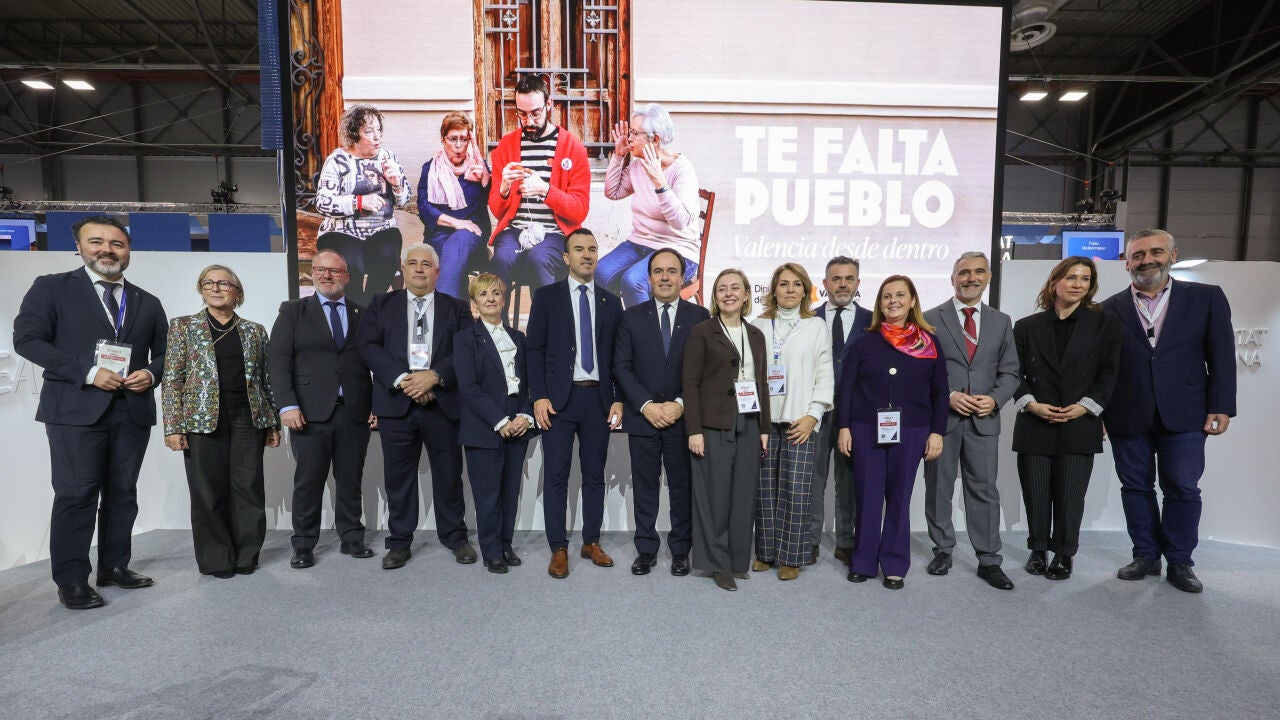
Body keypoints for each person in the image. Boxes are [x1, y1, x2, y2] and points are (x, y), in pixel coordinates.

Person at [13, 215, 168, 609]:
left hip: (131, 410)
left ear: (128, 250)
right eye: (96, 241)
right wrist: (88, 372)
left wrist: (151, 373)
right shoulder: (51, 288)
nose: (107, 250)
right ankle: (71, 580)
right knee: (76, 494)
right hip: (74, 410)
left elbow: (167, 354)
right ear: (79, 247)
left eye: (117, 243)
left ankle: (114, 566)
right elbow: (27, 340)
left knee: (123, 494)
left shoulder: (147, 302)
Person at [1100, 229, 1236, 593]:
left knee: (1182, 486)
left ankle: (1180, 560)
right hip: (1127, 412)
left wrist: (1222, 405)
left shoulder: (1205, 298)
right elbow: (1103, 368)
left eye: (1156, 252)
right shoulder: (1108, 308)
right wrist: (1099, 412)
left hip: (1187, 412)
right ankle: (1146, 555)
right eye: (1138, 255)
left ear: (1173, 255)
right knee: (1135, 486)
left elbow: (1222, 355)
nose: (1147, 260)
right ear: (1127, 263)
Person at [356, 243, 476, 570]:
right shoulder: (381, 304)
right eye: (413, 263)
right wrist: (404, 380)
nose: (419, 269)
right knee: (398, 479)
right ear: (403, 269)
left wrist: (434, 377)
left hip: (443, 404)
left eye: (426, 264)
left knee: (449, 476)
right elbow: (368, 346)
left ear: (437, 271)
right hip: (396, 405)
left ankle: (456, 538)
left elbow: (466, 350)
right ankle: (399, 542)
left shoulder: (457, 308)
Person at [162, 265, 281, 578]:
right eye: (208, 283)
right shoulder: (183, 327)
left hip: (248, 417)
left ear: (237, 292)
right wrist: (173, 426)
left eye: (224, 283)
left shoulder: (255, 331)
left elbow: (267, 380)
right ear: (201, 289)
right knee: (207, 490)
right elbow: (172, 378)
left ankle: (246, 554)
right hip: (201, 420)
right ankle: (217, 558)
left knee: (249, 487)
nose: (216, 288)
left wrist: (273, 423)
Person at [1012, 256, 1121, 581]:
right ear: (1055, 281)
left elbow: (1110, 373)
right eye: (1071, 277)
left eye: (1085, 279)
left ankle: (1064, 553)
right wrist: (1031, 404)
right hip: (1035, 420)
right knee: (1035, 493)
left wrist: (1086, 406)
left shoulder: (1105, 323)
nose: (1078, 284)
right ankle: (1037, 549)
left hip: (1080, 420)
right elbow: (1014, 373)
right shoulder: (1027, 326)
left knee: (1070, 495)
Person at [267, 249, 376, 569]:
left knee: (351, 479)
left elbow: (374, 362)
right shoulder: (293, 311)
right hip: (308, 413)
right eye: (321, 270)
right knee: (308, 481)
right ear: (312, 273)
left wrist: (377, 405)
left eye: (335, 270)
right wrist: (287, 405)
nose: (327, 275)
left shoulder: (362, 314)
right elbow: (278, 361)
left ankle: (352, 538)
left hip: (354, 411)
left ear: (347, 276)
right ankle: (303, 544)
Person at [525, 228, 624, 578]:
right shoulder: (547, 297)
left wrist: (618, 399)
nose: (587, 255)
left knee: (594, 475)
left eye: (592, 249)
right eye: (579, 249)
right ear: (566, 258)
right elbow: (534, 350)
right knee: (556, 475)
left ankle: (591, 542)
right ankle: (558, 547)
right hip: (558, 402)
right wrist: (538, 395)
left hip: (598, 399)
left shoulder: (611, 302)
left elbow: (618, 357)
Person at [837, 275, 947, 590]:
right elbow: (847, 388)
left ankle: (895, 564)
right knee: (868, 496)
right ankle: (863, 561)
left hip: (913, 430)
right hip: (865, 428)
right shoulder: (864, 341)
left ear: (912, 301)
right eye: (887, 296)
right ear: (879, 303)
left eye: (900, 295)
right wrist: (844, 426)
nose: (893, 301)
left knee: (900, 497)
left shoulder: (929, 342)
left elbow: (940, 391)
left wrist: (937, 432)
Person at [921, 252, 1020, 590]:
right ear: (953, 279)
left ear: (989, 278)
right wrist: (948, 395)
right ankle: (942, 550)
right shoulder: (929, 318)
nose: (971, 278)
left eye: (979, 272)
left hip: (984, 419)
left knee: (984, 490)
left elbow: (1010, 372)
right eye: (964, 272)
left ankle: (989, 559)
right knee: (938, 488)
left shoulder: (1001, 321)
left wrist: (994, 399)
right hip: (943, 420)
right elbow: (921, 371)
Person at [613, 249, 710, 576]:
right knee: (645, 487)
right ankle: (646, 549)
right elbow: (621, 367)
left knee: (682, 487)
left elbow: (705, 368)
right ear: (649, 277)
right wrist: (646, 406)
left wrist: (680, 404)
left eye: (671, 271)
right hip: (644, 418)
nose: (665, 277)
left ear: (682, 277)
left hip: (683, 418)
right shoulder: (630, 316)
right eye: (658, 271)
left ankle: (681, 550)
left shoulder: (700, 316)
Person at [683, 269, 771, 591]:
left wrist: (764, 428)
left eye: (736, 288)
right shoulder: (702, 332)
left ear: (746, 294)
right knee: (715, 497)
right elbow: (690, 383)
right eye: (722, 289)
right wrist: (694, 429)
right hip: (712, 424)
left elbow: (762, 383)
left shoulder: (756, 335)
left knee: (743, 496)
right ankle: (717, 564)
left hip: (748, 422)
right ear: (715, 296)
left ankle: (736, 561)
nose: (729, 294)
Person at [751, 263, 833, 581]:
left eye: (796, 284)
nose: (789, 289)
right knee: (765, 490)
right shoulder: (758, 325)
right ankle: (766, 552)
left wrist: (814, 414)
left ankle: (791, 557)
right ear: (774, 289)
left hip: (801, 421)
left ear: (805, 290)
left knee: (797, 490)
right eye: (783, 283)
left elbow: (825, 373)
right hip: (763, 422)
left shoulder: (816, 326)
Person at [455, 273, 535, 574]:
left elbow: (528, 384)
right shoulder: (464, 339)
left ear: (504, 299)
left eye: (496, 293)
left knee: (509, 492)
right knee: (487, 494)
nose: (490, 298)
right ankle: (491, 550)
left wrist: (525, 416)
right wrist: (500, 421)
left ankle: (505, 545)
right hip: (484, 425)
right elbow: (469, 388)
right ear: (474, 303)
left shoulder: (519, 338)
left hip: (517, 423)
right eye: (483, 294)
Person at [488, 75, 591, 288]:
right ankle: (496, 312)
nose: (529, 122)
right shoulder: (506, 146)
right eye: (522, 114)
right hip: (515, 230)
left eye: (536, 113)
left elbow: (579, 211)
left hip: (555, 233)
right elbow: (498, 212)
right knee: (500, 260)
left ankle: (546, 312)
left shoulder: (573, 148)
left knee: (539, 260)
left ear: (549, 104)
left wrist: (545, 190)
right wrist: (504, 188)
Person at [598, 103, 700, 306]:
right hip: (640, 243)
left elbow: (680, 222)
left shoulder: (682, 170)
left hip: (678, 250)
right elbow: (613, 192)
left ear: (655, 139)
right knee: (600, 273)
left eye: (635, 133)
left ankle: (644, 328)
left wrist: (660, 183)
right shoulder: (638, 165)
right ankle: (618, 325)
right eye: (630, 132)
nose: (629, 138)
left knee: (633, 281)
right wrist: (618, 156)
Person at [315, 103, 411, 306]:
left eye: (378, 130)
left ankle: (368, 307)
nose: (377, 137)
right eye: (369, 131)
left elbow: (403, 201)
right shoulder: (337, 160)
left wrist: (397, 184)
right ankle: (358, 310)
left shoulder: (388, 157)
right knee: (352, 266)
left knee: (388, 257)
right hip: (342, 231)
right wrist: (358, 202)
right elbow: (322, 202)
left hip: (381, 229)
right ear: (353, 135)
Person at [809, 256, 872, 564]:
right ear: (825, 284)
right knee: (813, 478)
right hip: (815, 410)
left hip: (856, 414)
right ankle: (809, 540)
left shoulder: (873, 321)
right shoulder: (809, 319)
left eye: (849, 279)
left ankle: (846, 542)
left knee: (848, 481)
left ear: (858, 283)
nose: (843, 284)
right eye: (836, 279)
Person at [416, 111, 492, 299]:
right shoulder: (430, 168)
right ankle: (459, 313)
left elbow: (494, 201)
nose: (458, 145)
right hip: (438, 235)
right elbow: (424, 209)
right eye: (453, 139)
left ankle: (444, 310)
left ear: (470, 141)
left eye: (464, 139)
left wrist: (485, 179)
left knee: (456, 244)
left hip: (472, 236)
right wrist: (457, 223)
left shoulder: (478, 167)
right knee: (447, 253)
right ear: (443, 139)